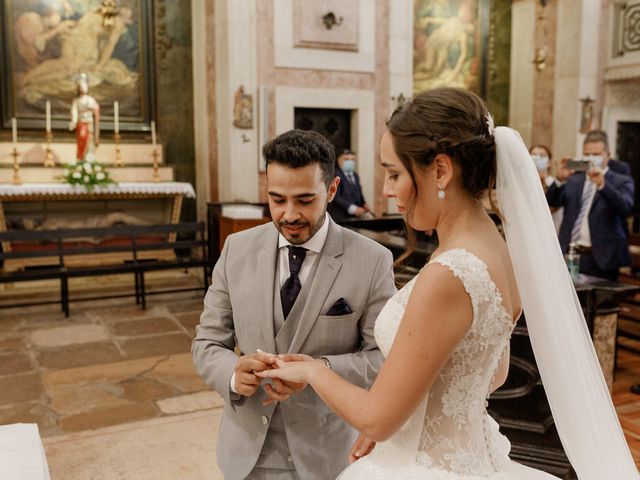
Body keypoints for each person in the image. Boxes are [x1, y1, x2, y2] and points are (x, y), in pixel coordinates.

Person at [257, 88, 638, 479]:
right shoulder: (500, 251)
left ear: (440, 170)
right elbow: (493, 372)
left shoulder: (449, 274)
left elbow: (376, 421)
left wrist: (314, 373)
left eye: (394, 173)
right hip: (472, 457)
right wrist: (407, 411)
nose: (387, 190)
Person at [192, 129, 396, 480]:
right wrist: (232, 373)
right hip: (246, 453)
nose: (289, 215)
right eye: (277, 199)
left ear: (331, 190)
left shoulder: (373, 260)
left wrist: (319, 370)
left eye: (304, 200)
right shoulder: (236, 250)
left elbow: (383, 358)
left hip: (328, 453)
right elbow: (207, 343)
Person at [547, 129, 634, 281]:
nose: (591, 158)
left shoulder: (621, 180)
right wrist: (559, 180)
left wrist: (603, 185)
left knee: (600, 303)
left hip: (601, 259)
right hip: (569, 253)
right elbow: (551, 203)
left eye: (596, 154)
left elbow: (625, 207)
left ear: (608, 154)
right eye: (587, 155)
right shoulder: (575, 179)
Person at [328, 150, 374, 221]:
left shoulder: (355, 175)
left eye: (352, 160)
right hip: (340, 218)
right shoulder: (334, 174)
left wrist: (364, 204)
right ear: (339, 160)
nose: (350, 162)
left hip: (355, 218)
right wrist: (354, 209)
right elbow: (336, 197)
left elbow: (359, 193)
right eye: (346, 159)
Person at [530, 144, 563, 232]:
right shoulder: (523, 183)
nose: (537, 158)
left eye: (542, 155)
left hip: (553, 230)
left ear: (549, 162)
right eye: (534, 155)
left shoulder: (556, 183)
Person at [69, 73, 100, 161]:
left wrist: (95, 109)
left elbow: (96, 112)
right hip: (81, 124)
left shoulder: (91, 100)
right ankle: (81, 159)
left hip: (90, 124)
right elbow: (74, 112)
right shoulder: (76, 101)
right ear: (79, 88)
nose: (83, 88)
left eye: (85, 86)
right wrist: (73, 122)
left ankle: (89, 159)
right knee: (82, 139)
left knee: (90, 142)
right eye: (81, 86)